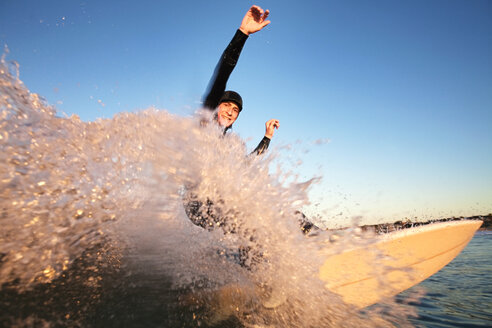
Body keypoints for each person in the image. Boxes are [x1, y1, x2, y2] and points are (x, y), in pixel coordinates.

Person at [202, 5, 279, 155]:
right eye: (226, 105)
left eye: (235, 110)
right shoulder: (203, 122)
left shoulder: (226, 145)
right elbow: (222, 75)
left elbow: (246, 165)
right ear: (216, 106)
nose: (230, 112)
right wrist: (242, 34)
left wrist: (267, 137)